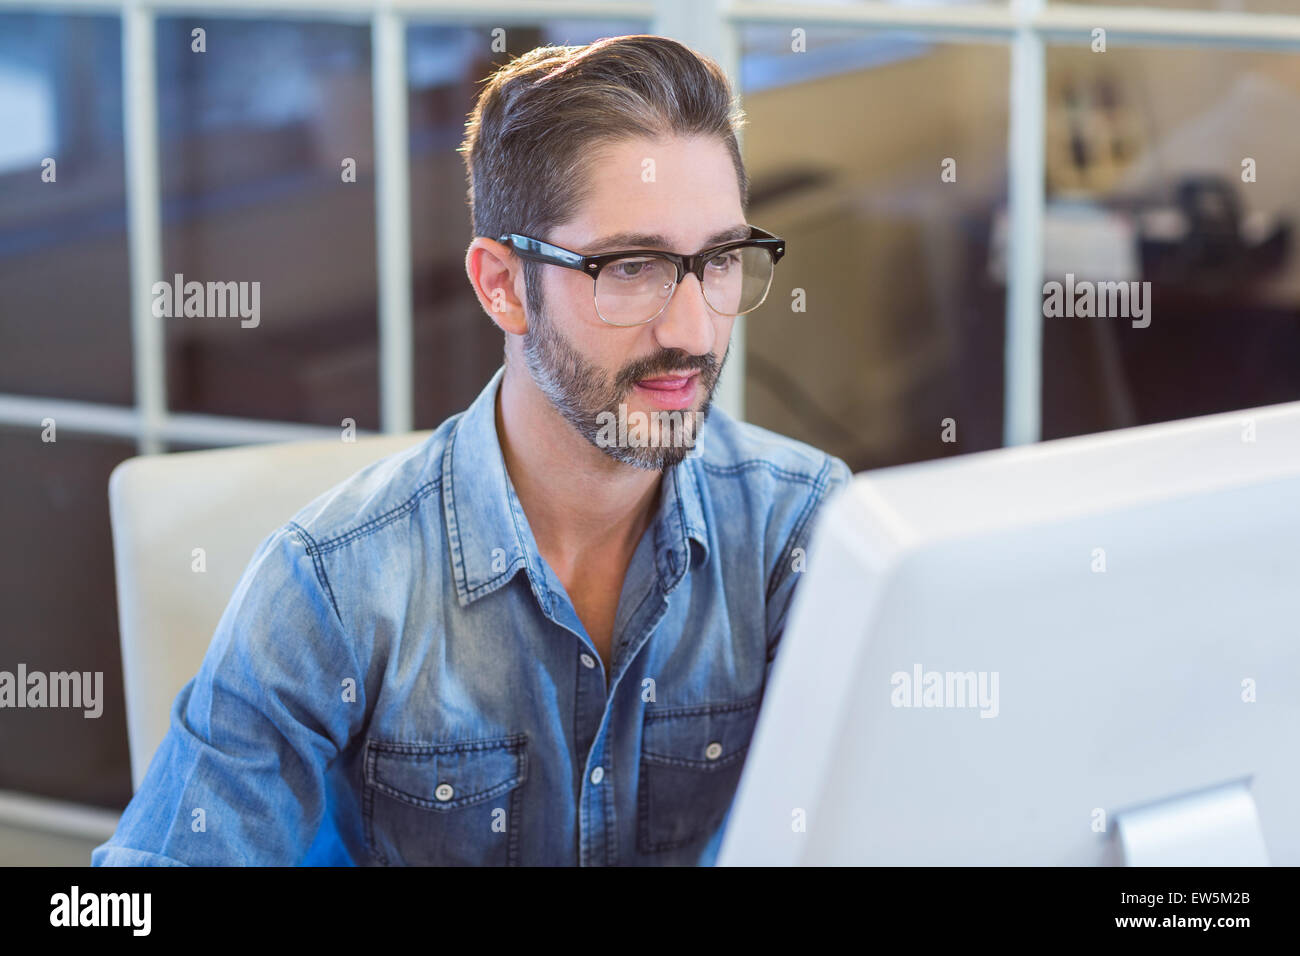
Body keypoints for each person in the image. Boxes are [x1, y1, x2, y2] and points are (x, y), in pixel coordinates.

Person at [93, 33, 850, 867]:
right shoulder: (334, 584)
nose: (694, 329)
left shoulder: (803, 531)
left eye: (719, 260)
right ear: (501, 286)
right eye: (632, 267)